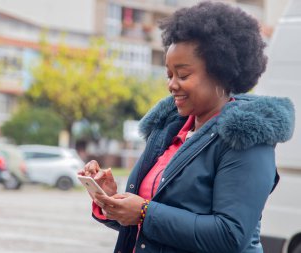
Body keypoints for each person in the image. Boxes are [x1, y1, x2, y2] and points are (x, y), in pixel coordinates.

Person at [78, 1, 295, 253]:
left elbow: (229, 234)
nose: (172, 85)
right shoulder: (167, 132)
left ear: (221, 72)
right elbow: (149, 230)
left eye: (182, 75)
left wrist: (144, 213)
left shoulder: (244, 139)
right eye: (169, 75)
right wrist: (112, 201)